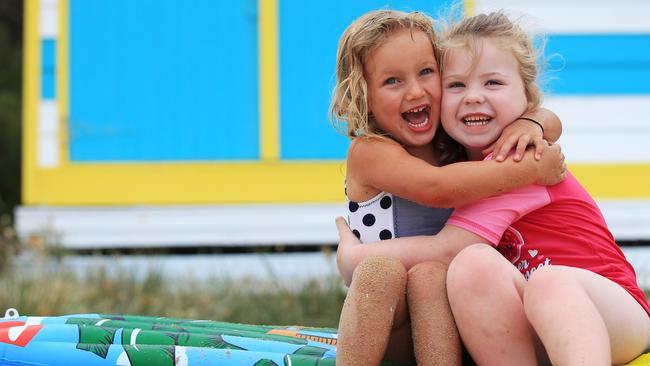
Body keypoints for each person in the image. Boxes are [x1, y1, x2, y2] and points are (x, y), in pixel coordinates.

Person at [335, 10, 650, 366]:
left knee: (545, 283)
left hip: (611, 312)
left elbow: (444, 244)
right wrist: (537, 120)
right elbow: (439, 190)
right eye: (456, 85)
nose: (472, 97)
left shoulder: (519, 160)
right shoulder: (451, 159)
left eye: (493, 83)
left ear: (528, 97)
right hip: (528, 319)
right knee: (471, 267)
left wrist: (353, 257)